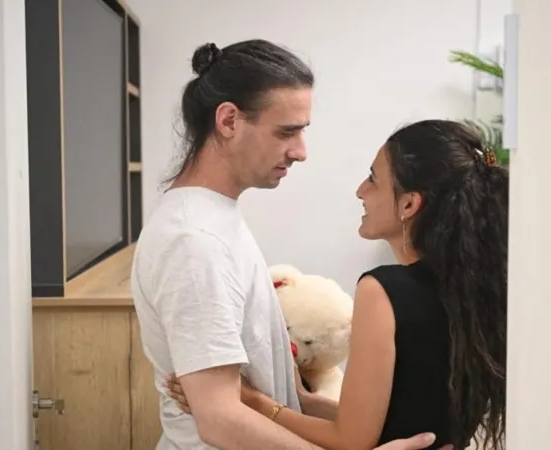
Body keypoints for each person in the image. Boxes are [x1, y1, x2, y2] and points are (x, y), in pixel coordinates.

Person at [130, 38, 451, 450]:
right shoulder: (195, 242)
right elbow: (220, 420)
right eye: (287, 132)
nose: (300, 152)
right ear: (228, 121)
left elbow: (253, 397)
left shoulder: (215, 220)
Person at [167, 119, 509, 449]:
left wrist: (252, 402)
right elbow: (388, 420)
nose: (361, 190)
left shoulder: (384, 291)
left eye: (373, 179)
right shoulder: (473, 290)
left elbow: (352, 440)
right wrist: (301, 400)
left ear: (408, 204)